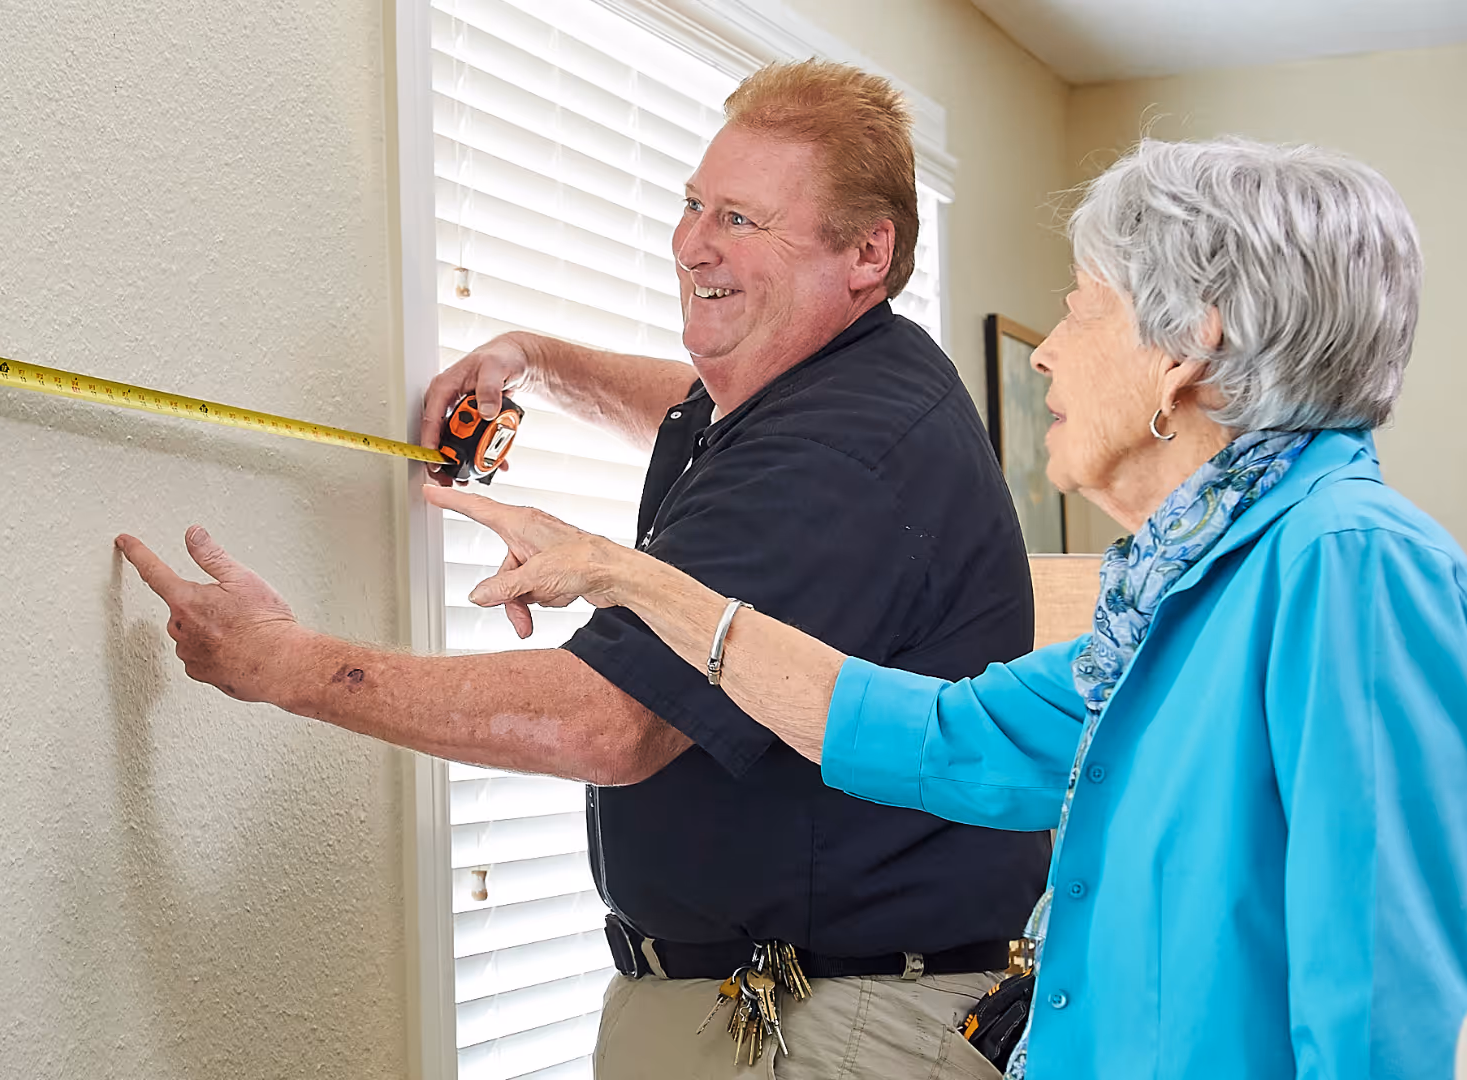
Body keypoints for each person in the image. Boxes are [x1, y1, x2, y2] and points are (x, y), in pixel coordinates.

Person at [426, 137, 1467, 1080]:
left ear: (1190, 345)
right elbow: (935, 736)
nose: (1048, 350)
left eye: (1082, 306)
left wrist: (280, 661)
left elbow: (1376, 1000)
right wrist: (626, 576)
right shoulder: (1178, 595)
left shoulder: (1348, 563)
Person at [118, 61, 1047, 1077]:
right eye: (694, 203)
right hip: (777, 999)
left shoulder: (838, 456)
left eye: (741, 218)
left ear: (868, 253)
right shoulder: (840, 379)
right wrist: (535, 359)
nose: (694, 241)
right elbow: (692, 403)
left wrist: (286, 665)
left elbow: (604, 723)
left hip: (832, 1021)